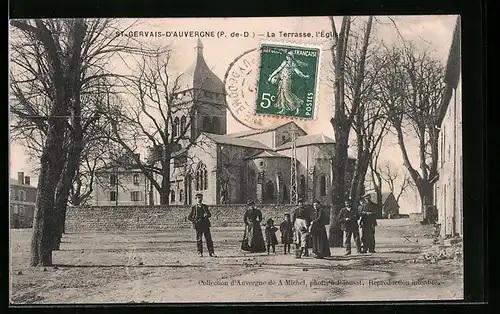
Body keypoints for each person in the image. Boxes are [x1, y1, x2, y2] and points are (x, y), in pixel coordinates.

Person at [267, 51, 310, 115]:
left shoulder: (293, 64)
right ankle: (283, 109)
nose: (287, 57)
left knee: (287, 95)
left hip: (287, 81)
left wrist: (305, 76)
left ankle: (298, 107)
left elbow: (298, 72)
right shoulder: (284, 62)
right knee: (281, 95)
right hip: (282, 80)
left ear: (291, 57)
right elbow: (278, 70)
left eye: (289, 56)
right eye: (287, 55)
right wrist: (271, 77)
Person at [187, 193, 216, 257]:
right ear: (196, 199)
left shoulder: (205, 206)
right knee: (199, 240)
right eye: (198, 198)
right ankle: (200, 252)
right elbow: (189, 217)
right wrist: (195, 221)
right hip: (198, 225)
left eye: (200, 198)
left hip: (205, 224)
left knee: (209, 239)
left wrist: (206, 216)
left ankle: (211, 253)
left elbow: (209, 214)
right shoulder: (194, 208)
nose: (199, 199)